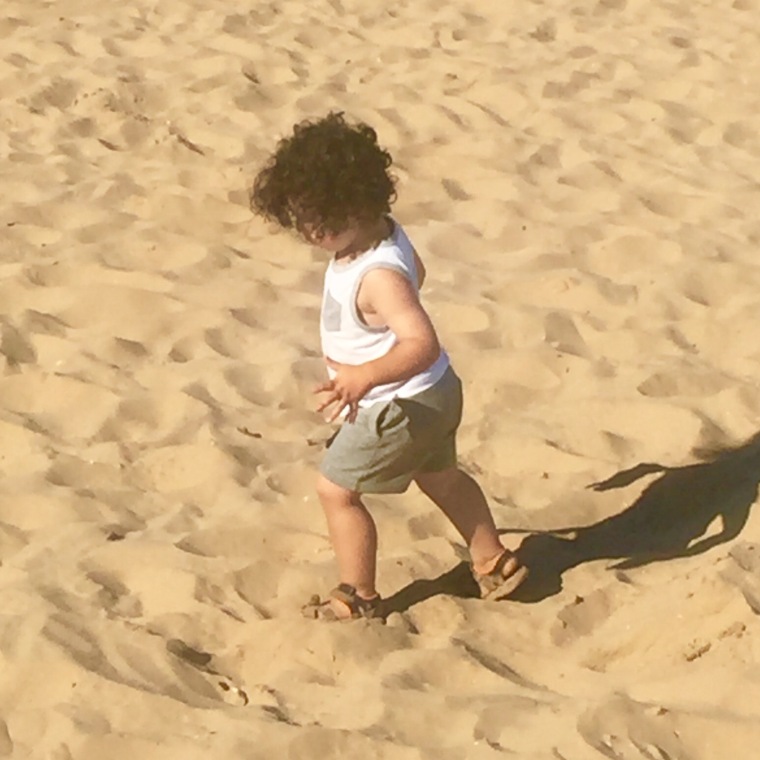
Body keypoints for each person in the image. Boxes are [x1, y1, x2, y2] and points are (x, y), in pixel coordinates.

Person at [250, 112, 527, 620]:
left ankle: (358, 594)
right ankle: (493, 561)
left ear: (357, 202)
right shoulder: (387, 237)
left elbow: (421, 343)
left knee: (336, 492)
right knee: (441, 478)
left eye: (322, 218)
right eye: (301, 219)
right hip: (434, 394)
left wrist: (364, 375)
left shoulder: (377, 276)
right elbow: (418, 271)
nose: (311, 231)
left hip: (397, 404)